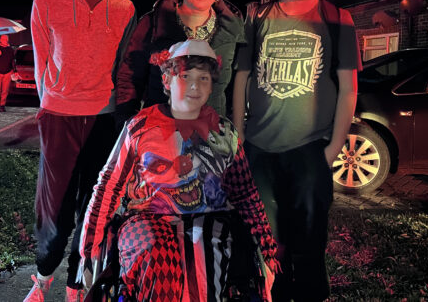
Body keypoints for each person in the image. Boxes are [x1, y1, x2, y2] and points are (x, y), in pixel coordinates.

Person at [78, 39, 279, 302]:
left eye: (203, 78)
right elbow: (108, 186)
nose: (195, 86)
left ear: (211, 86)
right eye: (185, 76)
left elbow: (246, 194)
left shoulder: (224, 132)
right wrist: (89, 249)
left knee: (205, 263)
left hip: (209, 221)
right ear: (167, 80)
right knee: (155, 254)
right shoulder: (140, 127)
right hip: (147, 219)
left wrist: (266, 250)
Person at [232, 0, 362, 301]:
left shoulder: (338, 20)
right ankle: (267, 293)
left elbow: (349, 89)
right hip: (259, 148)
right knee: (262, 239)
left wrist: (333, 149)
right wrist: (239, 135)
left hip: (310, 148)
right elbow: (241, 79)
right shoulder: (258, 17)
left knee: (308, 239)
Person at [24, 0, 137, 302]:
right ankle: (43, 278)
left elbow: (124, 67)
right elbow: (41, 63)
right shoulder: (47, 2)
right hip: (59, 116)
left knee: (94, 205)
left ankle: (77, 282)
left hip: (104, 118)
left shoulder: (124, 9)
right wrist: (48, 105)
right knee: (53, 206)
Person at [115, 0, 245, 130]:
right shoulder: (153, 23)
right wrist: (129, 125)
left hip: (211, 133)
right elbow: (129, 78)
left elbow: (236, 86)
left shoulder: (232, 29)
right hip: (160, 131)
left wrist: (233, 129)